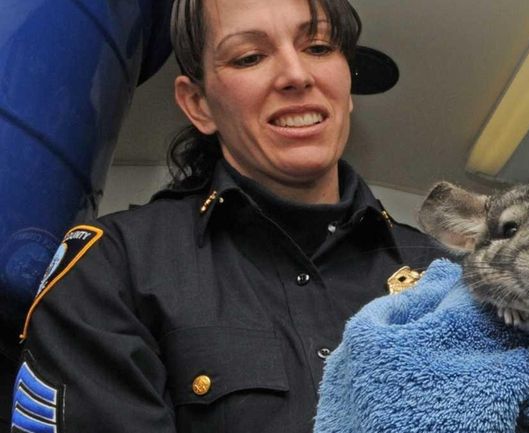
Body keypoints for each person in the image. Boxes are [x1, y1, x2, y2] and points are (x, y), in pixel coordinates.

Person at [10, 0, 441, 432]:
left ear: (346, 84)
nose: (296, 75)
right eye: (249, 57)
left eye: (319, 47)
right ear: (199, 104)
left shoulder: (448, 274)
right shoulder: (116, 266)